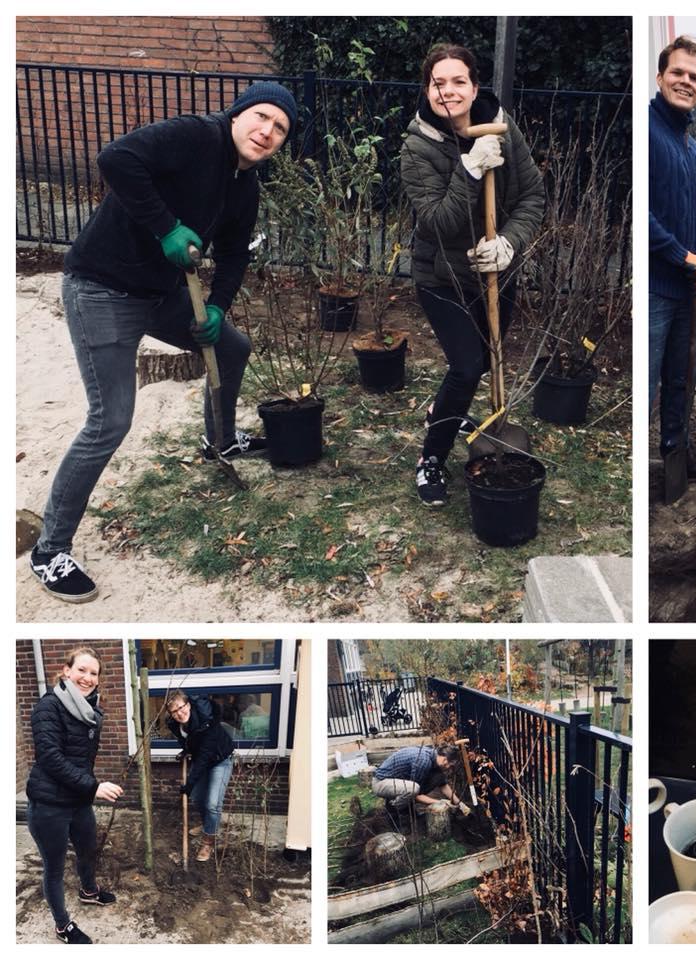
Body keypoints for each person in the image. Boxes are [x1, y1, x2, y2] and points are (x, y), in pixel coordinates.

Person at [29, 81, 297, 603]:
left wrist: (218, 306)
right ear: (239, 115)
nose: (267, 131)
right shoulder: (196, 136)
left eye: (280, 129)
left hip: (159, 294)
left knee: (233, 347)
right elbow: (116, 158)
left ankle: (218, 440)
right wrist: (167, 228)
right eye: (261, 117)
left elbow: (236, 253)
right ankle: (49, 550)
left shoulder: (245, 185)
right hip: (101, 287)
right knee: (110, 420)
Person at [401, 43, 544, 506]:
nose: (449, 90)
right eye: (438, 82)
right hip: (441, 276)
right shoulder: (417, 147)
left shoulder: (502, 128)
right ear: (428, 89)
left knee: (484, 362)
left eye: (458, 80)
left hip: (496, 273)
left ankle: (440, 411)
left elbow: (531, 197)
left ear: (474, 86)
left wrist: (508, 242)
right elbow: (438, 222)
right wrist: (468, 168)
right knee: (465, 368)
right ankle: (430, 462)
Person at [649, 36, 696, 481]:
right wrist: (682, 256)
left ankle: (678, 457)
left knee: (682, 381)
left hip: (689, 290)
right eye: (677, 72)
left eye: (694, 77)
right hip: (659, 288)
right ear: (660, 77)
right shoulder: (648, 130)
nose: (685, 81)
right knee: (648, 386)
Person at [26, 646, 125, 944]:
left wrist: (87, 788)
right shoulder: (49, 707)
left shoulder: (92, 712)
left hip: (79, 802)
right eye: (81, 670)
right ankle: (62, 926)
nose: (87, 677)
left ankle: (89, 891)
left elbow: (81, 760)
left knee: (87, 850)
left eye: (93, 673)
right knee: (54, 868)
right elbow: (51, 758)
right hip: (48, 805)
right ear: (67, 671)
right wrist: (94, 786)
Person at [166, 690, 235, 862]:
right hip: (202, 759)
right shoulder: (175, 724)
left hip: (220, 760)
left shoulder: (206, 721)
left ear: (188, 704)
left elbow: (204, 754)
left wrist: (189, 783)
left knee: (212, 804)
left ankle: (208, 841)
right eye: (174, 711)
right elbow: (191, 741)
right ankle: (207, 824)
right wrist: (186, 750)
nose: (179, 714)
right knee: (197, 797)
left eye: (181, 708)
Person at [372, 744, 470, 815]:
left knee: (438, 777)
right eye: (449, 764)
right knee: (413, 789)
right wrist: (439, 802)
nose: (448, 767)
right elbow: (416, 794)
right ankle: (394, 810)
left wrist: (460, 804)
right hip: (381, 782)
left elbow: (443, 784)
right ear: (444, 758)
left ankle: (406, 806)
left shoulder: (433, 755)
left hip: (397, 782)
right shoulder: (424, 761)